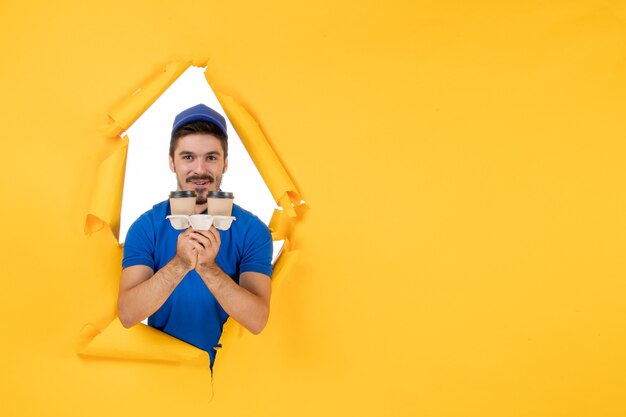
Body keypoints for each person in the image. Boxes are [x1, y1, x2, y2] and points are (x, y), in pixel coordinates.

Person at [117, 104, 273, 367]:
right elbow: (128, 314)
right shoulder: (146, 227)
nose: (199, 170)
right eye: (188, 157)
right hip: (165, 371)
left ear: (225, 163)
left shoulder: (252, 231)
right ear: (171, 161)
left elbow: (257, 320)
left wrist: (208, 268)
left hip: (233, 375)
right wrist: (180, 264)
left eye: (211, 157)